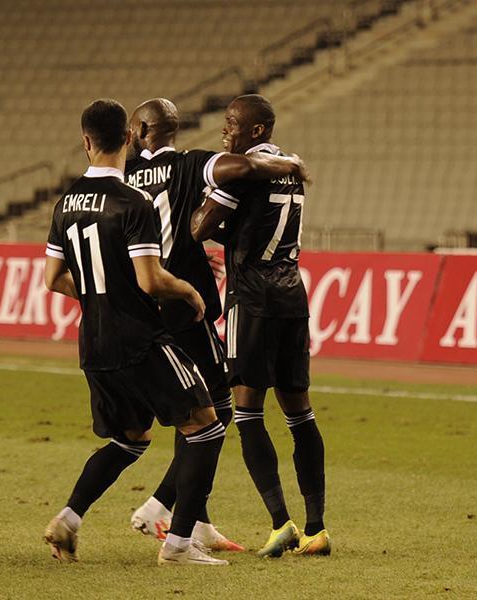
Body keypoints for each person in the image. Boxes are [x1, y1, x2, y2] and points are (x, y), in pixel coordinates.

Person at [43, 99, 228, 566]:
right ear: (128, 139)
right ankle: (178, 544)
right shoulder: (133, 201)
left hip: (94, 340)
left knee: (131, 438)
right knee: (207, 426)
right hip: (138, 339)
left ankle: (67, 519)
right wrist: (189, 290)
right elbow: (150, 279)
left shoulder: (65, 203)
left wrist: (99, 296)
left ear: (86, 141)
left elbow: (52, 278)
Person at [124, 98, 309, 553]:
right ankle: (162, 508)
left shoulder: (124, 177)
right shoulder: (188, 164)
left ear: (140, 132)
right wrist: (290, 162)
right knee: (218, 410)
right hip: (185, 299)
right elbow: (243, 168)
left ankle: (198, 519)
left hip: (140, 300)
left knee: (189, 408)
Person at [191, 94, 330, 556]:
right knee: (300, 413)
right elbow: (257, 222)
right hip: (292, 295)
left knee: (248, 410)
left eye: (232, 123)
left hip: (252, 297)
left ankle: (279, 523)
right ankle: (317, 528)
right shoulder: (291, 170)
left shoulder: (244, 171)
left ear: (256, 130)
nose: (224, 130)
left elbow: (200, 227)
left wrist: (196, 214)